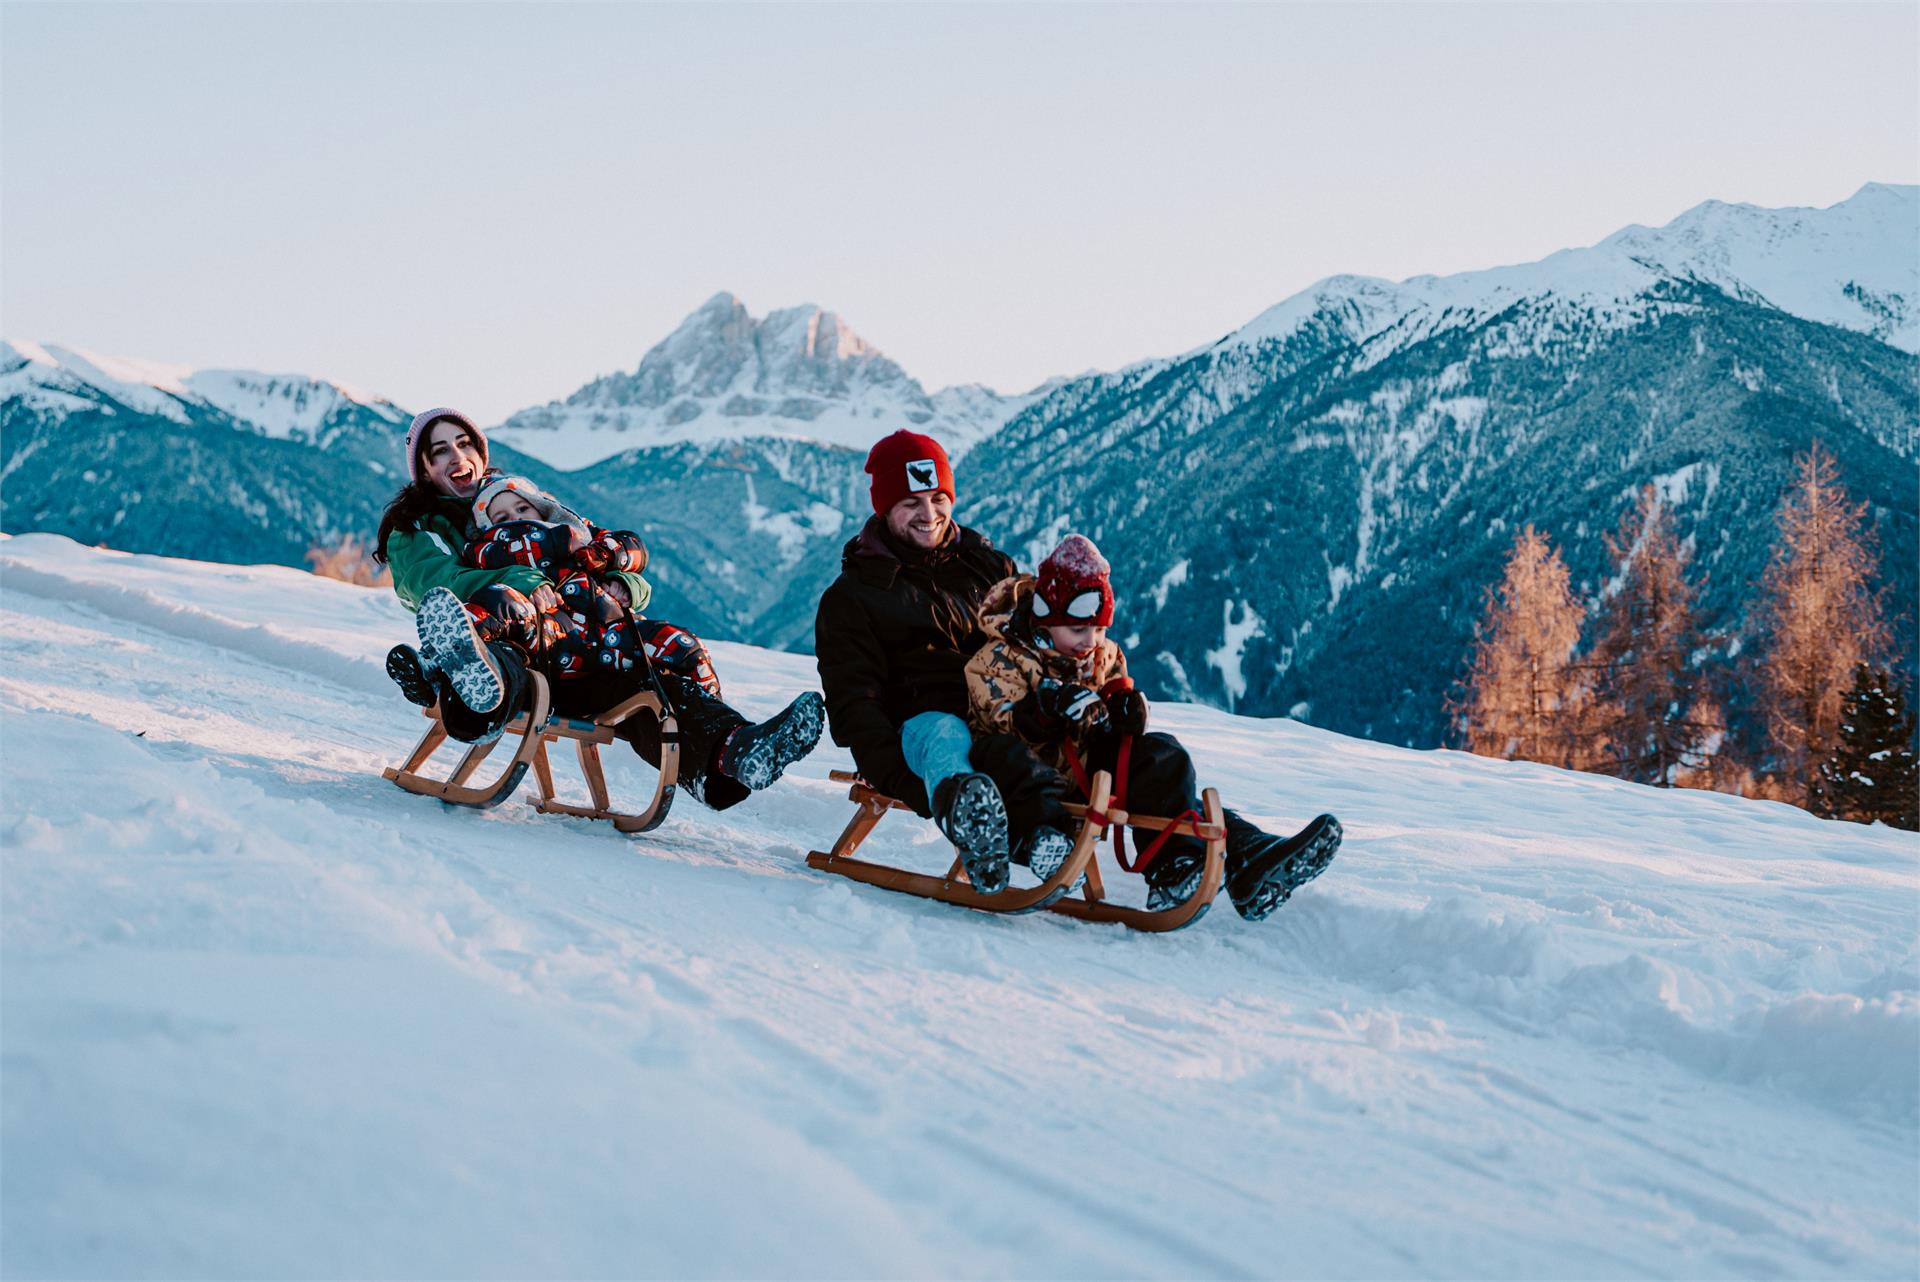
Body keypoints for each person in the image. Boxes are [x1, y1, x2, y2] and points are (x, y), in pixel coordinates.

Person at [374, 407, 822, 809]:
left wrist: (623, 584)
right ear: (424, 469)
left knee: (655, 684)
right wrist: (522, 580)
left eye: (464, 442)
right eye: (440, 451)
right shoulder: (415, 528)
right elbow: (439, 584)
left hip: (583, 651)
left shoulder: (517, 500)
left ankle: (736, 753)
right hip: (524, 652)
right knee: (505, 652)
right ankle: (471, 693)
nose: (456, 456)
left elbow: (598, 550)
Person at [964, 533, 1342, 920]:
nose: (1090, 642)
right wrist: (1044, 711)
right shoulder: (1001, 656)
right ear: (1045, 616)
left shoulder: (1103, 654)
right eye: (1078, 630)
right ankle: (1045, 843)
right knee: (1002, 755)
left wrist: (1125, 717)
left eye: (1098, 630)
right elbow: (996, 717)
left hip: (1089, 771)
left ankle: (1180, 865)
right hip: (1024, 778)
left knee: (1164, 758)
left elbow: (1115, 703)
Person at [814, 430, 1022, 892]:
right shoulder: (853, 598)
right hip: (922, 735)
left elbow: (1039, 648)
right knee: (948, 736)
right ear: (884, 510)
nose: (929, 515)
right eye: (911, 504)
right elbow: (855, 704)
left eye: (938, 498)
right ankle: (973, 822)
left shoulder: (991, 569)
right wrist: (896, 776)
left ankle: (1175, 845)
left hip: (1004, 718)